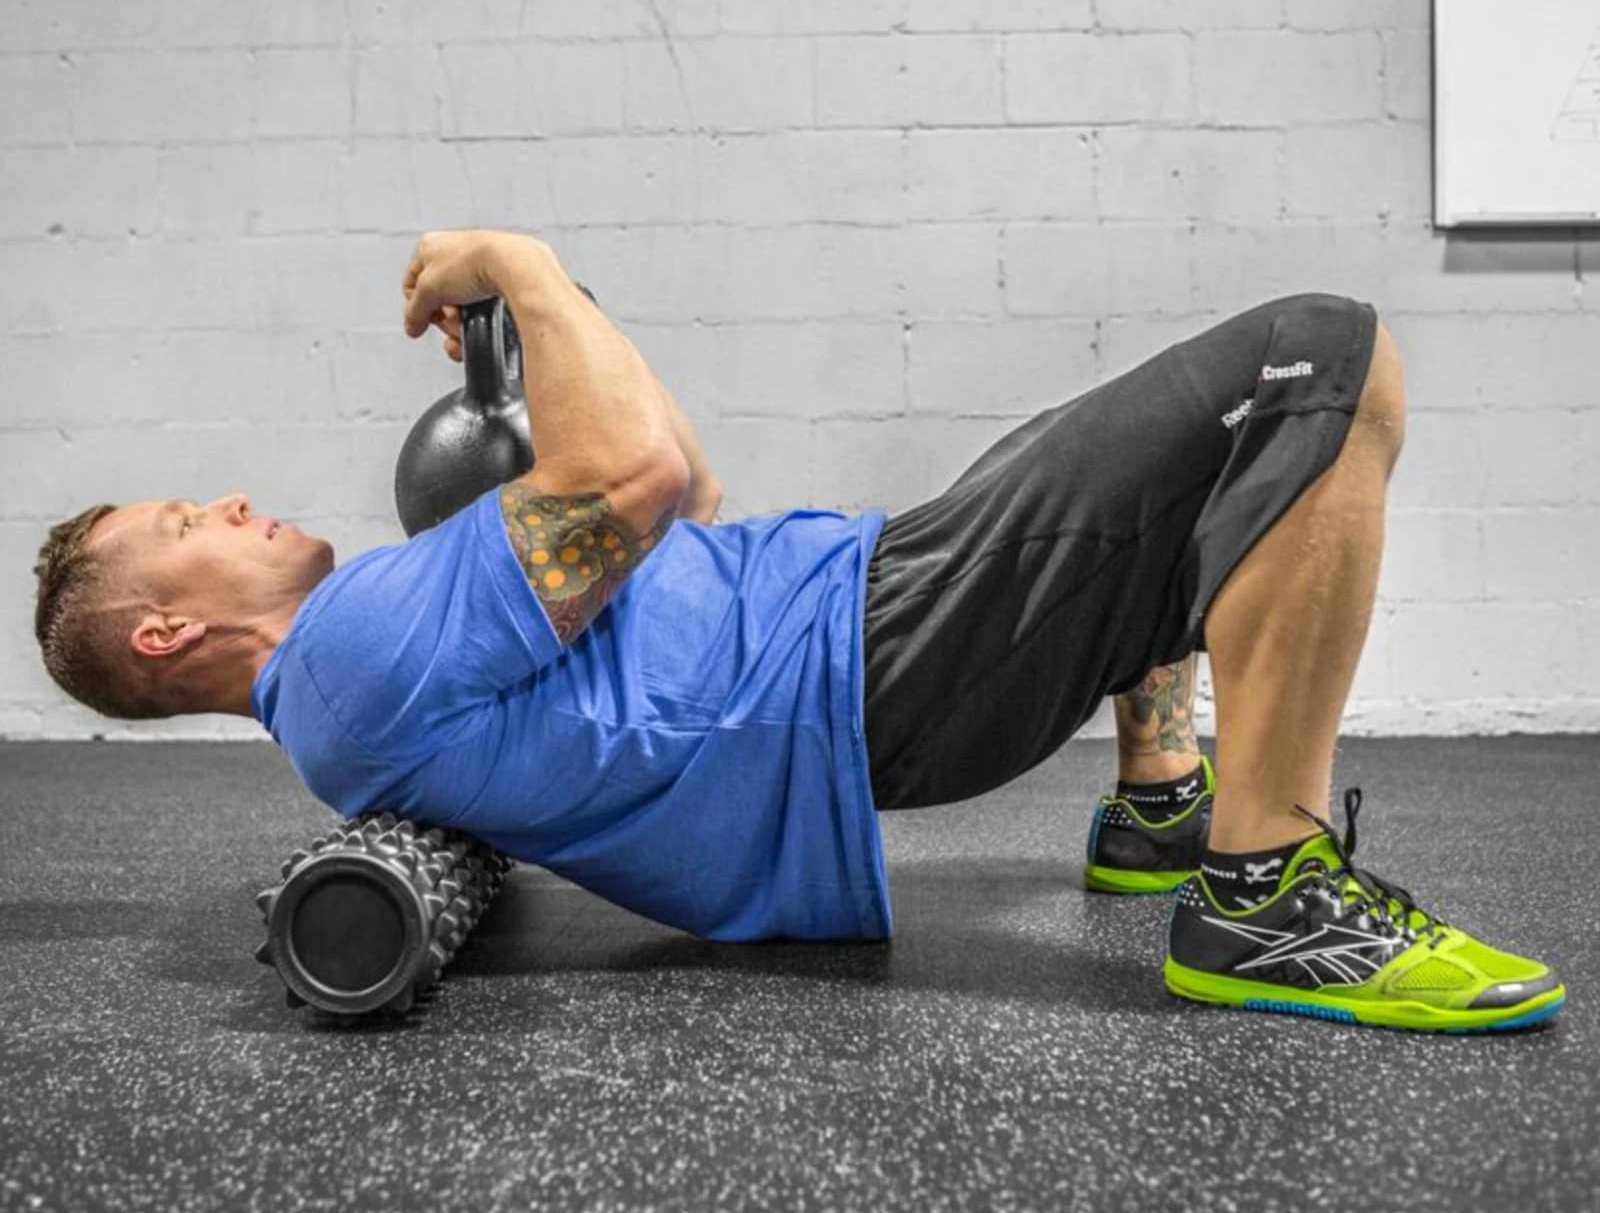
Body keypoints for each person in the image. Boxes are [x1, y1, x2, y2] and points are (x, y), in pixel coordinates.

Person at [32, 229, 1564, 1034]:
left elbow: (678, 488)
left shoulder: (362, 670)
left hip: (864, 618)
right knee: (1318, 357)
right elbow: (634, 480)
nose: (229, 501)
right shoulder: (352, 650)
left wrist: (556, 320)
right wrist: (520, 262)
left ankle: (1164, 809)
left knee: (1150, 463)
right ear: (163, 634)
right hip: (864, 660)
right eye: (185, 518)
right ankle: (1267, 898)